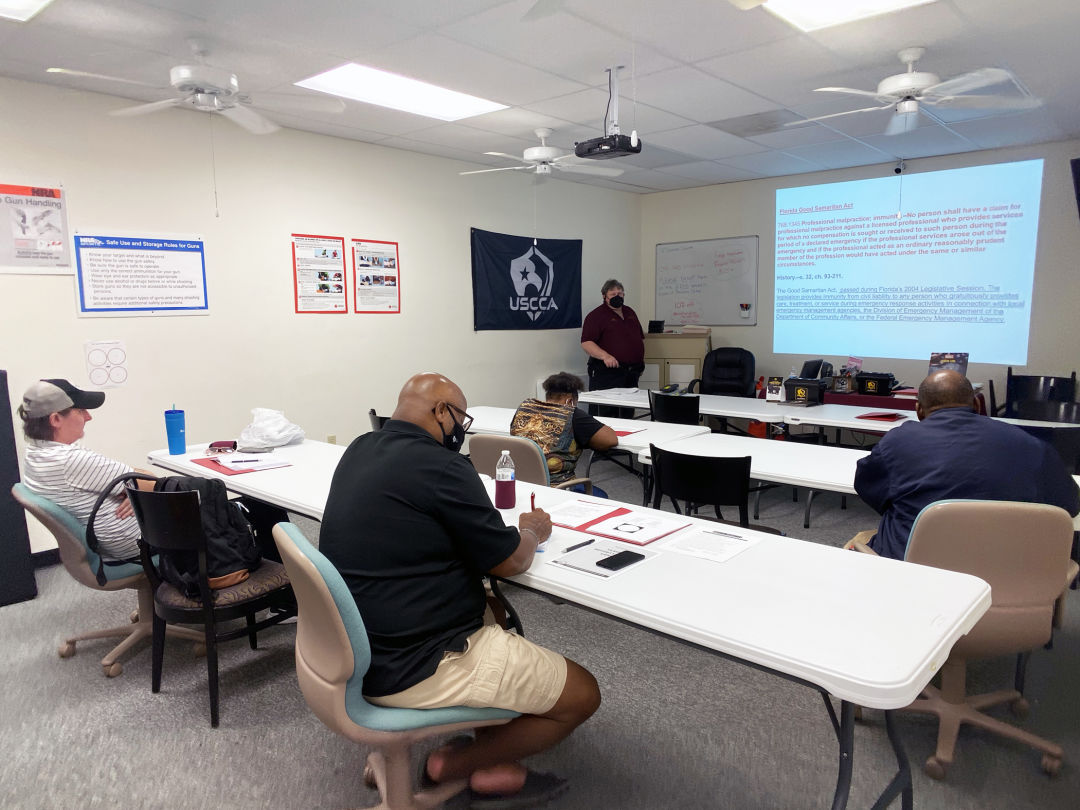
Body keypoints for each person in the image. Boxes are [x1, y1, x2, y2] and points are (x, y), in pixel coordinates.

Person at [319, 373, 601, 806]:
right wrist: (532, 531)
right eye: (460, 420)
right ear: (441, 412)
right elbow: (510, 560)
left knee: (494, 608)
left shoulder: (359, 447)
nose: (459, 432)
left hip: (359, 646)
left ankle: (494, 757)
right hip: (417, 660)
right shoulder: (444, 467)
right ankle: (455, 765)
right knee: (584, 693)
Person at [851, 370, 1080, 561]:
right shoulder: (1031, 445)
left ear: (919, 409)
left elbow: (868, 489)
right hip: (1010, 578)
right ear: (975, 405)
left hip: (916, 577)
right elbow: (1068, 505)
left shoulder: (896, 443)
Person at [18, 378, 153, 562]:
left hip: (109, 541)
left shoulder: (36, 453)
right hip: (136, 542)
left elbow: (138, 481)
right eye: (81, 410)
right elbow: (152, 482)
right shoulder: (70, 460)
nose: (89, 416)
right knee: (200, 500)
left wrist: (135, 490)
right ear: (56, 419)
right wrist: (137, 490)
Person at [511, 372, 618, 496]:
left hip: (521, 483)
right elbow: (610, 440)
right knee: (601, 496)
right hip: (558, 487)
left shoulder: (525, 408)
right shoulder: (572, 414)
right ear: (570, 401)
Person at [580, 279, 645, 417]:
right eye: (613, 293)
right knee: (607, 413)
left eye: (620, 293)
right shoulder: (596, 316)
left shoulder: (630, 312)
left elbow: (638, 337)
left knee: (627, 412)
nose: (617, 296)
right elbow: (586, 342)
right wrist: (606, 356)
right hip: (607, 373)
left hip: (631, 373)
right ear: (604, 296)